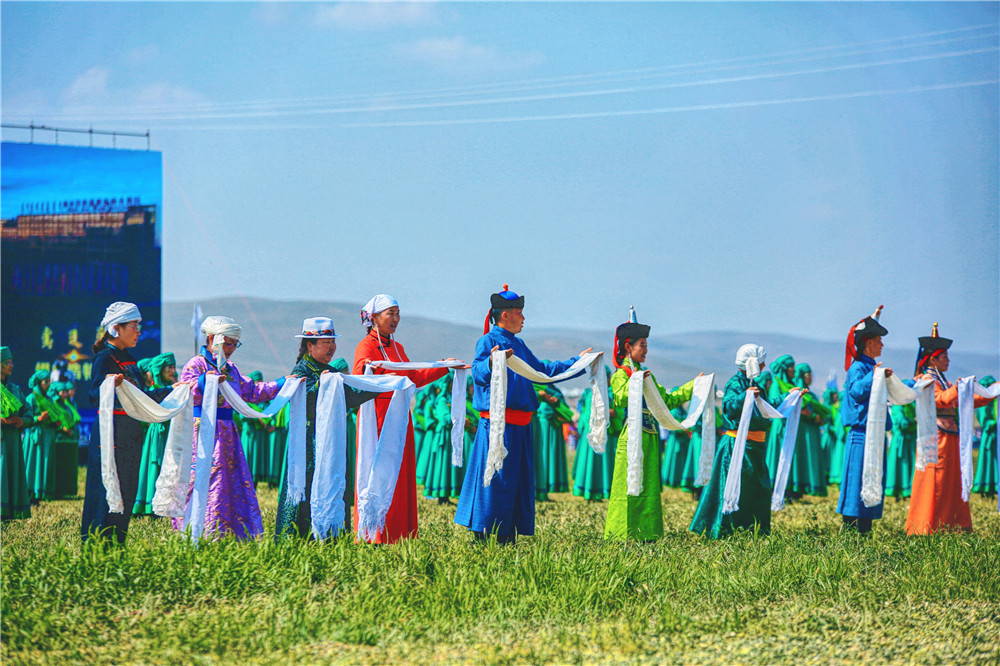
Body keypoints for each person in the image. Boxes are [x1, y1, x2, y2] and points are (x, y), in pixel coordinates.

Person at [455, 285, 588, 544]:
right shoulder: (488, 342)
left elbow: (542, 370)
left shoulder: (520, 345)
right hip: (497, 425)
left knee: (515, 481)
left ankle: (507, 532)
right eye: (520, 313)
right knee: (495, 480)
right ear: (505, 315)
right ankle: (483, 532)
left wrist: (577, 362)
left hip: (521, 426)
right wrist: (492, 362)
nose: (524, 318)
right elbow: (478, 373)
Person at [352, 294, 457, 544]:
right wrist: (368, 368)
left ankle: (398, 532)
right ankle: (372, 532)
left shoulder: (398, 349)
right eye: (391, 313)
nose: (396, 319)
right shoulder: (365, 346)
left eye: (398, 314)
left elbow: (415, 377)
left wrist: (444, 366)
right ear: (374, 318)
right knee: (377, 473)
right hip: (377, 417)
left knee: (399, 476)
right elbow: (357, 378)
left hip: (399, 417)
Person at [174, 315, 289, 540]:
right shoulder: (196, 364)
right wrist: (202, 381)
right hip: (204, 431)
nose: (232, 348)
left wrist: (284, 384)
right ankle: (205, 531)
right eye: (228, 343)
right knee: (208, 480)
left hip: (227, 433)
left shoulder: (230, 369)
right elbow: (185, 391)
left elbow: (251, 391)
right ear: (211, 339)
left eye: (235, 344)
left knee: (230, 482)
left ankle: (231, 531)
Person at [81, 302, 174, 543]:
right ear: (116, 329)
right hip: (110, 435)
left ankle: (117, 543)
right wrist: (109, 383)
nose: (139, 332)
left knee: (127, 489)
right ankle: (96, 543)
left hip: (131, 433)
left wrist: (171, 390)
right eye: (134, 326)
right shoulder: (105, 359)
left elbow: (142, 398)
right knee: (105, 490)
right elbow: (92, 396)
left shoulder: (130, 360)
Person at [277, 317, 372, 539]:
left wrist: (378, 383)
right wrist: (325, 383)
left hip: (330, 441)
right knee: (307, 486)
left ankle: (330, 533)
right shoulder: (302, 370)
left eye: (332, 341)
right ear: (310, 346)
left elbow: (350, 396)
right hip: (308, 443)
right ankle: (301, 537)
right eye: (325, 342)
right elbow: (308, 397)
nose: (331, 347)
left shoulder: (329, 372)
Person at [605, 313, 694, 541]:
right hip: (632, 437)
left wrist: (695, 386)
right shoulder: (622, 374)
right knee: (627, 485)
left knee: (649, 486)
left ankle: (648, 533)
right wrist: (637, 381)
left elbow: (668, 400)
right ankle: (621, 534)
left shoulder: (644, 375)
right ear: (628, 347)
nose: (645, 351)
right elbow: (620, 398)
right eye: (642, 346)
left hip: (651, 436)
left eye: (646, 346)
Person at [690, 344, 788, 539]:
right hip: (736, 448)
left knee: (757, 490)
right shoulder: (735, 383)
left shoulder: (756, 385)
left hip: (755, 448)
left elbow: (766, 407)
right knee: (732, 489)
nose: (764, 365)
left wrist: (790, 396)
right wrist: (746, 395)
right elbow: (729, 407)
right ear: (752, 362)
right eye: (760, 362)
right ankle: (724, 529)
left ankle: (753, 529)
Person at [906, 324, 992, 535]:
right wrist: (958, 388)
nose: (948, 360)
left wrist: (989, 394)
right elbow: (941, 400)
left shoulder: (943, 381)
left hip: (949, 437)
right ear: (932, 359)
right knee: (937, 483)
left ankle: (951, 524)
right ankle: (930, 525)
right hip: (936, 440)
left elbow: (965, 399)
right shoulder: (927, 381)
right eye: (944, 356)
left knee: (951, 482)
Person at [836, 307, 891, 534]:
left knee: (871, 481)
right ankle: (850, 532)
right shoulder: (859, 367)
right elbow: (857, 391)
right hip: (861, 434)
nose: (882, 345)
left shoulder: (871, 367)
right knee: (856, 483)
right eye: (879, 340)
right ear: (868, 343)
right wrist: (874, 375)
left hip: (875, 435)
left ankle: (865, 531)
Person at [133, 353, 176, 515]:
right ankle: (150, 505)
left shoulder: (173, 390)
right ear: (159, 370)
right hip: (157, 433)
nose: (172, 371)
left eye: (173, 367)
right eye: (168, 367)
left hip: (169, 433)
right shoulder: (155, 391)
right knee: (154, 466)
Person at [787, 363, 831, 498]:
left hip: (811, 431)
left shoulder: (810, 394)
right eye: (808, 375)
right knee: (800, 457)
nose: (811, 378)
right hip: (802, 431)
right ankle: (795, 489)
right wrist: (812, 416)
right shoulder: (798, 392)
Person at [1, 347, 32, 520]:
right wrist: (3, 420)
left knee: (11, 475)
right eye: (7, 362)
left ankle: (9, 512)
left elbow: (28, 413)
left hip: (13, 442)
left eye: (11, 361)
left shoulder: (14, 389)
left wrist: (22, 421)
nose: (11, 365)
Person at [22, 370, 60, 503]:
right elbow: (25, 418)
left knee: (45, 463)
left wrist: (57, 422)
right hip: (35, 438)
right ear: (39, 383)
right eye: (46, 382)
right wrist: (39, 418)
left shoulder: (49, 399)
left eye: (49, 381)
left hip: (47, 437)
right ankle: (30, 493)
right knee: (33, 464)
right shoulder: (31, 398)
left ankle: (43, 493)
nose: (48, 384)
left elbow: (56, 415)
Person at [533, 381, 572, 500]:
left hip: (553, 428)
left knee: (550, 457)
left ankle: (547, 488)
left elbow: (566, 414)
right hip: (541, 427)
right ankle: (539, 489)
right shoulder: (536, 388)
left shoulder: (556, 393)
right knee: (542, 457)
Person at [764, 355, 796, 486]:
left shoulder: (790, 384)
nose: (794, 370)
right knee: (779, 455)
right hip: (780, 426)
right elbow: (776, 404)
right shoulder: (776, 385)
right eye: (791, 367)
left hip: (788, 424)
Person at [48, 380, 81, 498]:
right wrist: (62, 428)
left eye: (66, 392)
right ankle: (57, 491)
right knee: (59, 467)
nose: (65, 394)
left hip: (69, 440)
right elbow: (53, 421)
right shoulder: (53, 405)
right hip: (59, 440)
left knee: (69, 467)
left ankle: (68, 491)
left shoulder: (67, 406)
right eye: (63, 392)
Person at [885, 387, 917, 500]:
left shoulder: (913, 405)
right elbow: (901, 423)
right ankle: (897, 491)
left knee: (909, 465)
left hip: (911, 441)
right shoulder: (897, 404)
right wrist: (913, 421)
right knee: (900, 466)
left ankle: (908, 491)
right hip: (900, 441)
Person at [972, 375, 997, 497]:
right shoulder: (983, 403)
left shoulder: (994, 402)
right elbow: (984, 422)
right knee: (988, 461)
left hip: (995, 437)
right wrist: (995, 422)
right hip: (988, 437)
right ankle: (986, 487)